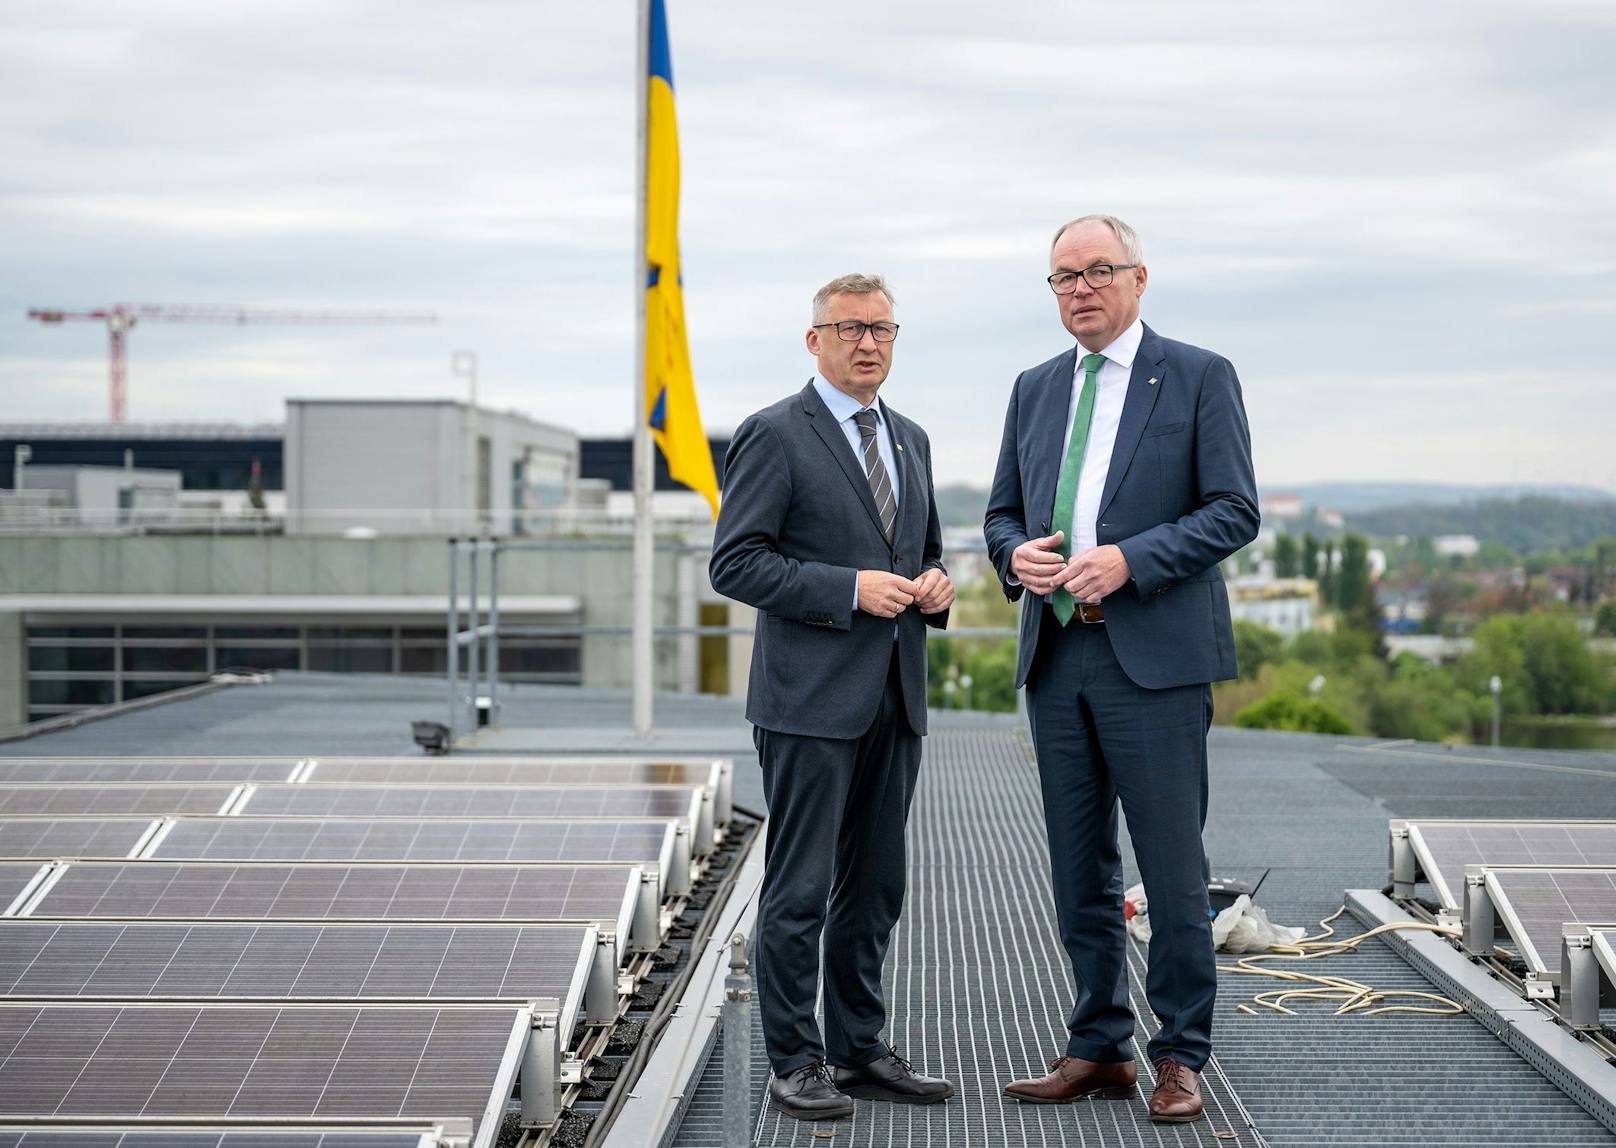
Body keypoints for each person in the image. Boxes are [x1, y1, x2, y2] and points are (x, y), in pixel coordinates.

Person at [984, 214, 1259, 1124]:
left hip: (1156, 658)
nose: (1080, 289)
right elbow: (1001, 515)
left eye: (1099, 271)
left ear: (1139, 278)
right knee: (1077, 869)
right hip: (1058, 654)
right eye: (1063, 277)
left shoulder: (1198, 375)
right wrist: (1016, 554)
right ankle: (1100, 1045)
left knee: (1172, 869)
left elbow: (1233, 510)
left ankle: (1182, 1054)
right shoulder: (1032, 389)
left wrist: (1132, 559)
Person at [709, 273, 956, 1121]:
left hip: (895, 695)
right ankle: (795, 1060)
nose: (867, 343)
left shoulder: (912, 438)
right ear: (813, 340)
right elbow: (735, 563)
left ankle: (858, 1049)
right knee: (801, 887)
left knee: (876, 886)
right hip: (809, 704)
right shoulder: (775, 434)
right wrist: (850, 588)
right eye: (849, 328)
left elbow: (924, 548)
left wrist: (936, 587)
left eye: (882, 328)